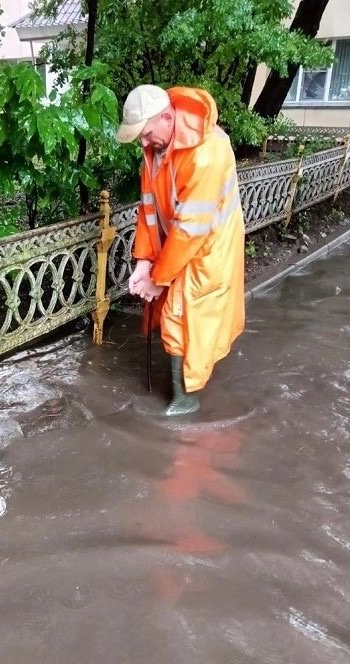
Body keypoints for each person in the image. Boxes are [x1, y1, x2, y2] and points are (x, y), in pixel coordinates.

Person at [116, 84, 246, 416]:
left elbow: (193, 229)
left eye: (145, 134)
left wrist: (158, 278)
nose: (143, 144)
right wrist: (143, 262)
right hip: (178, 239)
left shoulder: (207, 153)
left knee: (184, 314)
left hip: (210, 244)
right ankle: (182, 391)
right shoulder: (155, 149)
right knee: (173, 311)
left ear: (166, 117)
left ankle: (185, 398)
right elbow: (147, 209)